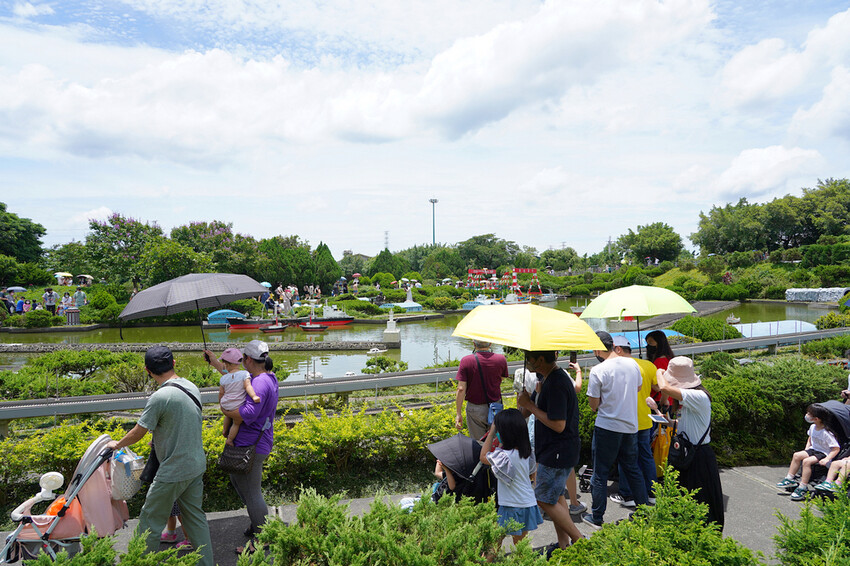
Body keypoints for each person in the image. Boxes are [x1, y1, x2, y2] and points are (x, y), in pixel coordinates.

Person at [106, 346, 213, 566]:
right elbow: (178, 423)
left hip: (173, 470)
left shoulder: (160, 396)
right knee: (195, 519)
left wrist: (117, 444)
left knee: (149, 520)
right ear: (173, 364)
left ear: (148, 370)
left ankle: (140, 562)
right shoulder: (191, 387)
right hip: (195, 465)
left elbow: (138, 432)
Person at [215, 340, 279, 553]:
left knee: (252, 493)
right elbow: (233, 376)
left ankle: (263, 538)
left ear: (249, 360)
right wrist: (216, 363)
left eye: (243, 359)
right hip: (252, 442)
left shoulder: (259, 383)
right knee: (237, 480)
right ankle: (257, 520)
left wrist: (225, 411)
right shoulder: (265, 377)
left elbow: (249, 414)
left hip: (252, 444)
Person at [516, 350, 584, 551]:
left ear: (541, 359)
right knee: (555, 497)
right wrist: (529, 400)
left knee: (543, 499)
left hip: (558, 450)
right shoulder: (546, 379)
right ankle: (564, 545)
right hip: (553, 449)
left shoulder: (556, 383)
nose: (528, 362)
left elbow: (559, 425)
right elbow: (528, 411)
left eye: (530, 358)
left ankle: (579, 540)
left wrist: (530, 404)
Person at [583, 331, 648, 528]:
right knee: (632, 469)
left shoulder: (598, 370)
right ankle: (644, 512)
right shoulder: (632, 364)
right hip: (630, 426)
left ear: (597, 348)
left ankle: (597, 517)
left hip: (607, 427)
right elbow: (637, 388)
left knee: (600, 473)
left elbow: (593, 405)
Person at [656, 356, 725, 528]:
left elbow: (664, 387)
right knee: (681, 500)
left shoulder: (698, 396)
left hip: (698, 456)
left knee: (701, 502)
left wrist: (659, 371)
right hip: (685, 454)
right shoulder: (687, 401)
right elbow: (684, 424)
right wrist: (667, 420)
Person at [479, 409, 544, 547]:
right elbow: (533, 475)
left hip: (511, 506)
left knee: (493, 545)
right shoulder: (527, 453)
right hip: (527, 504)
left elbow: (483, 456)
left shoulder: (504, 456)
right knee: (520, 547)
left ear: (505, 434)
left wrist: (491, 433)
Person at [608, 336, 659, 508]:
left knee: (626, 458)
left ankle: (627, 494)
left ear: (618, 349)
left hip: (625, 420)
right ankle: (653, 493)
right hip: (645, 419)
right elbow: (660, 388)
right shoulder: (647, 365)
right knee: (646, 456)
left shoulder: (615, 367)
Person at [776, 404, 840, 501]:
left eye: (809, 414)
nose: (807, 415)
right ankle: (789, 478)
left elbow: (836, 448)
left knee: (807, 462)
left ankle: (803, 486)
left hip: (822, 453)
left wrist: (827, 459)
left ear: (817, 419)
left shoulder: (826, 433)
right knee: (797, 455)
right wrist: (806, 449)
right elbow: (810, 438)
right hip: (813, 449)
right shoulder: (812, 427)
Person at [454, 340, 509, 441]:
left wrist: (458, 413)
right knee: (495, 442)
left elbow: (461, 389)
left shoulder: (466, 361)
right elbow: (500, 379)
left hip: (475, 409)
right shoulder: (501, 359)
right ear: (490, 344)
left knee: (478, 443)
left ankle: (481, 456)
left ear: (474, 344)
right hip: (495, 407)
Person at [210, 348, 261, 445]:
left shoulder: (224, 378)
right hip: (236, 404)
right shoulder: (244, 374)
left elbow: (221, 393)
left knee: (228, 415)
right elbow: (248, 386)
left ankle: (224, 431)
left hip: (226, 403)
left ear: (226, 364)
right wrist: (254, 396)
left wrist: (221, 403)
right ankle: (229, 439)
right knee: (236, 422)